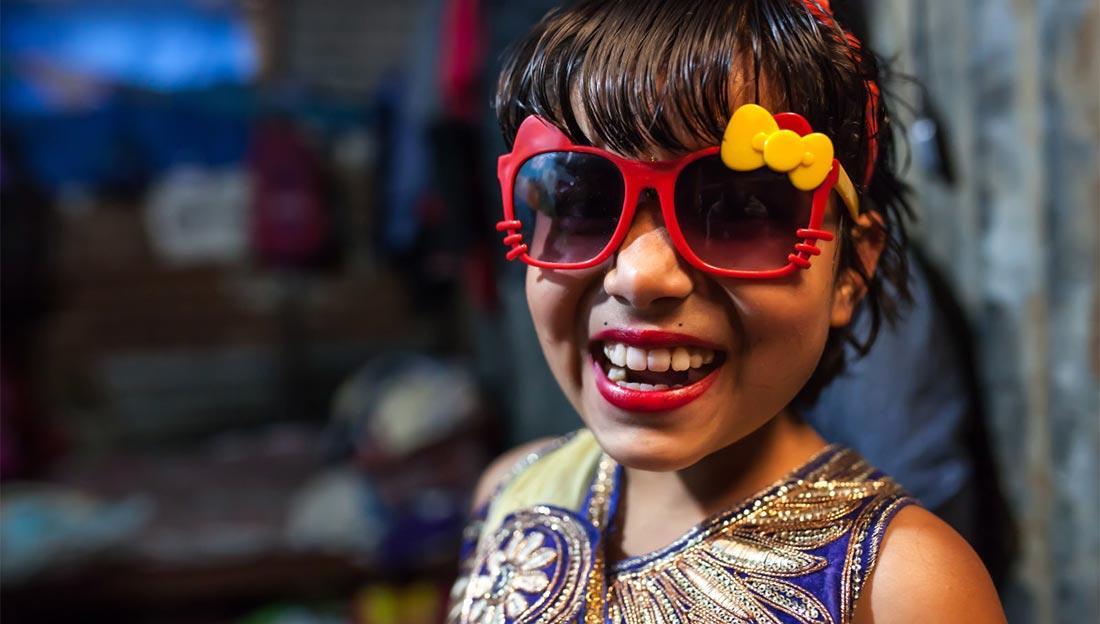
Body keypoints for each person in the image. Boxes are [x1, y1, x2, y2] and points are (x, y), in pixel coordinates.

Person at [447, 1, 1006, 622]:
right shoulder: (509, 493)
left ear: (852, 273)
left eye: (736, 210)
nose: (639, 275)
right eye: (581, 199)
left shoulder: (906, 587)